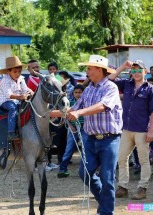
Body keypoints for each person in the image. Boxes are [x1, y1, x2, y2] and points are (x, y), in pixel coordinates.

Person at [52, 55, 123, 215]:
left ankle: (106, 211)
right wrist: (46, 114)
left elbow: (102, 106)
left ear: (99, 70)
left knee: (107, 178)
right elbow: (72, 110)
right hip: (90, 139)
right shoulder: (89, 89)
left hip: (109, 139)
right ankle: (104, 204)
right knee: (85, 173)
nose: (87, 71)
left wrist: (79, 113)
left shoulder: (111, 88)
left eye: (89, 68)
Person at [109, 60, 153, 200]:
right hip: (126, 129)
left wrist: (150, 131)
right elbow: (110, 79)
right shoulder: (127, 84)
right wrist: (123, 66)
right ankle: (123, 187)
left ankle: (142, 188)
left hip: (142, 130)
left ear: (145, 72)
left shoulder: (150, 89)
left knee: (143, 160)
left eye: (139, 70)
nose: (136, 73)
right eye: (134, 70)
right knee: (121, 158)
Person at [0, 56, 33, 140]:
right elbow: (8, 95)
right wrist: (21, 97)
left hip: (19, 100)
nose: (17, 74)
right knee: (13, 108)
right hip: (6, 101)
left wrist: (30, 92)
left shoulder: (21, 78)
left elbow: (25, 89)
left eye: (19, 71)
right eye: (15, 71)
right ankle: (11, 132)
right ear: (8, 71)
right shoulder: (5, 80)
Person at [57, 84, 88, 178]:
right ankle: (62, 169)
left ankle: (84, 170)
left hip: (85, 128)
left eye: (80, 92)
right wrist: (71, 126)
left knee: (85, 150)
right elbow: (66, 116)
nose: (78, 94)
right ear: (73, 93)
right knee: (69, 149)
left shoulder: (87, 102)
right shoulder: (70, 102)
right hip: (73, 128)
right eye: (76, 92)